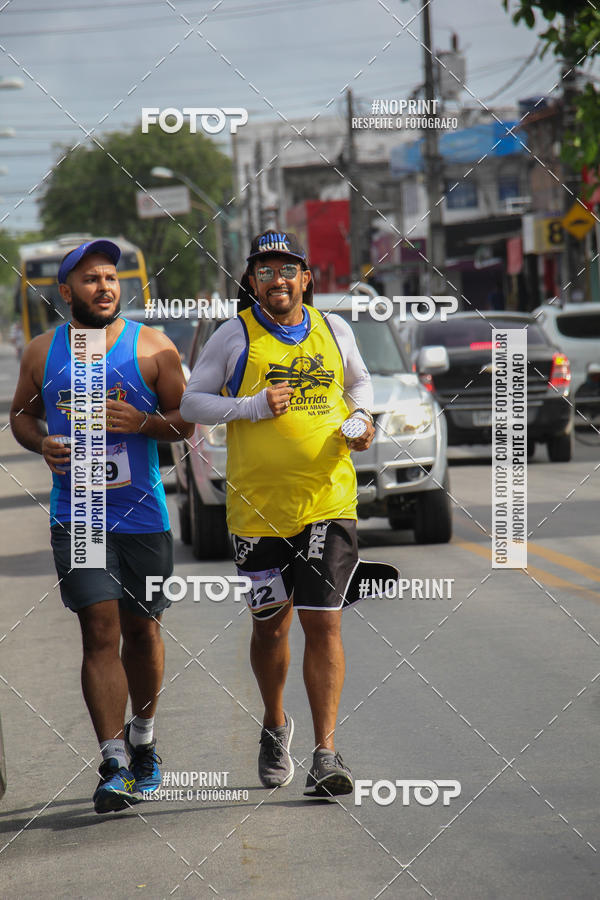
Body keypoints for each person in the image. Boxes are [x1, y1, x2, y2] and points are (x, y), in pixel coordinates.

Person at [180, 230, 375, 798]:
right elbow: (193, 401)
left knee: (324, 620)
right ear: (253, 283)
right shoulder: (233, 335)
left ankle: (326, 752)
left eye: (287, 269)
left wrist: (362, 421)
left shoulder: (334, 329)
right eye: (265, 271)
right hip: (256, 513)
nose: (278, 280)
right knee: (271, 629)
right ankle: (274, 723)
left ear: (306, 277)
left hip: (328, 501)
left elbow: (358, 384)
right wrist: (251, 406)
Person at [10, 239, 194, 813]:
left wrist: (143, 421)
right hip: (79, 513)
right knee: (98, 630)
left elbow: (186, 420)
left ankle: (144, 739)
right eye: (91, 279)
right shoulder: (43, 352)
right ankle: (111, 759)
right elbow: (20, 414)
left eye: (111, 277)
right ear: (66, 292)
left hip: (142, 514)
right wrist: (41, 441)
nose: (105, 287)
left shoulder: (154, 347)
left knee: (143, 632)